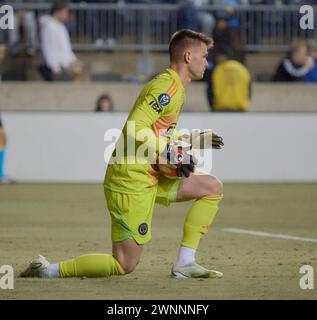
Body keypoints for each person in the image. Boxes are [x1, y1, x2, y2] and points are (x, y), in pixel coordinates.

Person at [20, 29, 225, 279]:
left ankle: (185, 262)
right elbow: (135, 128)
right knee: (124, 264)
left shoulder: (177, 88)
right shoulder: (167, 87)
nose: (207, 62)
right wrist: (170, 150)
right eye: (204, 56)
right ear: (187, 56)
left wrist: (191, 139)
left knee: (211, 187)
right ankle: (48, 271)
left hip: (150, 172)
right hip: (131, 179)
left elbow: (155, 133)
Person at [38, 2, 82, 81]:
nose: (66, 14)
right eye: (65, 12)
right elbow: (49, 48)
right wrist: (54, 66)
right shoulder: (49, 27)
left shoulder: (60, 26)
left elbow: (65, 48)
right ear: (57, 12)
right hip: (55, 68)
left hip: (62, 66)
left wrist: (73, 59)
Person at [206, 47, 251, 112]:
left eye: (217, 56)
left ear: (222, 56)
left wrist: (212, 107)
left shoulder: (218, 70)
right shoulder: (242, 69)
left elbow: (210, 90)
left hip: (221, 109)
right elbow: (249, 89)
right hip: (241, 109)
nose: (216, 59)